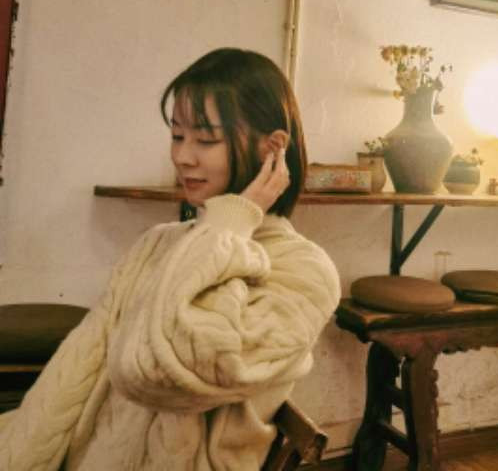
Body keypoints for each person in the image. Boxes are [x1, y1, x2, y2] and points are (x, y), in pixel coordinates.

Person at [0, 48, 341, 470]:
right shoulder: (158, 243)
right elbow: (74, 373)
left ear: (271, 149)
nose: (182, 156)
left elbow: (164, 372)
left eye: (206, 139)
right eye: (177, 136)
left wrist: (231, 224)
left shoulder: (306, 271)